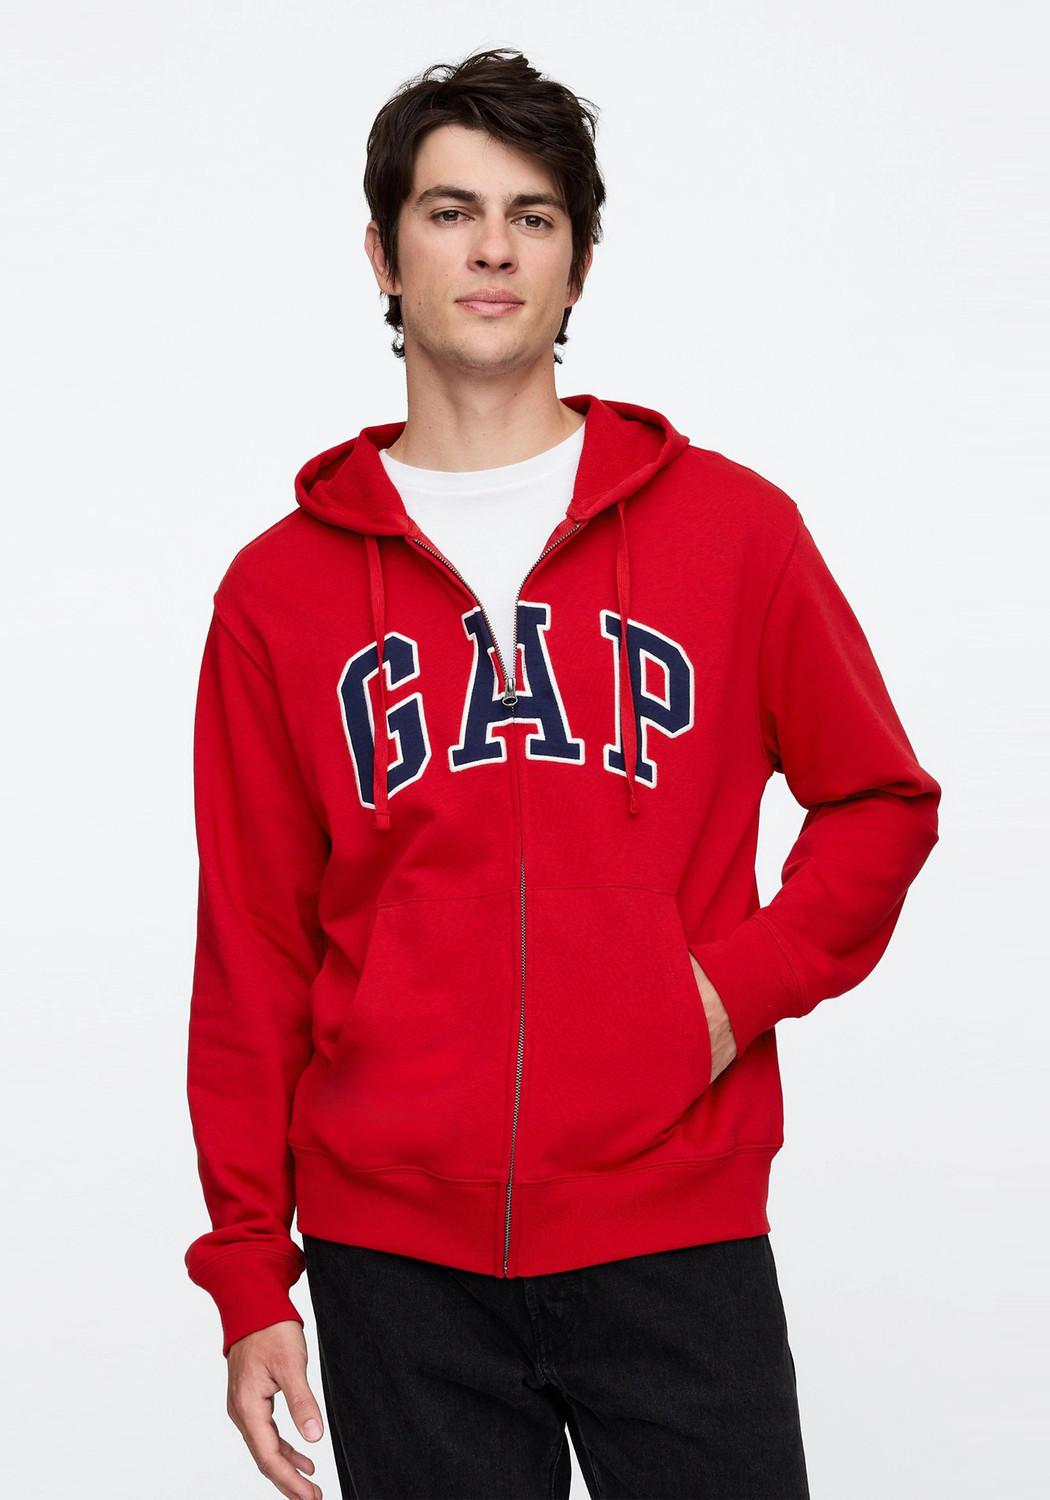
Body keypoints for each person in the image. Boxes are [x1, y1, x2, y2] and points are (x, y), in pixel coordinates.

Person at [183, 46, 940, 1500]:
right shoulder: (278, 592)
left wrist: (725, 993)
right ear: (382, 253)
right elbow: (254, 948)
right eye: (450, 211)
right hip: (391, 1259)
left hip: (674, 1224)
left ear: (577, 263)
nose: (491, 249)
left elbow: (879, 804)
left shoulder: (731, 531)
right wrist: (249, 1274)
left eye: (532, 217)